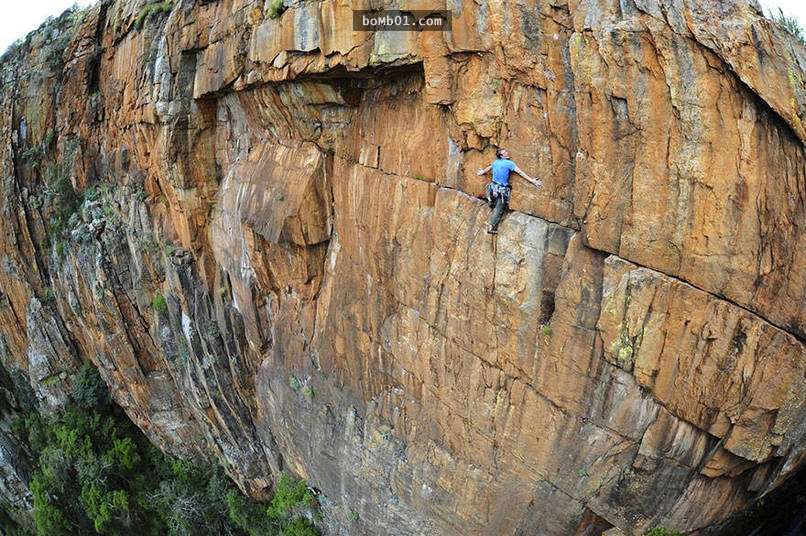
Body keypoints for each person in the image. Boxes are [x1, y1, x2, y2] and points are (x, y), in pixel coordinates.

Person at [477, 148, 542, 234]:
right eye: (505, 153)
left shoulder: (496, 162)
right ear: (501, 156)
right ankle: (491, 226)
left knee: (493, 198)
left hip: (493, 188)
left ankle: (491, 202)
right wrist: (532, 181)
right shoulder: (509, 164)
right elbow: (520, 173)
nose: (507, 153)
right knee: (499, 208)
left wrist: (482, 172)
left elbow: (489, 168)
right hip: (501, 190)